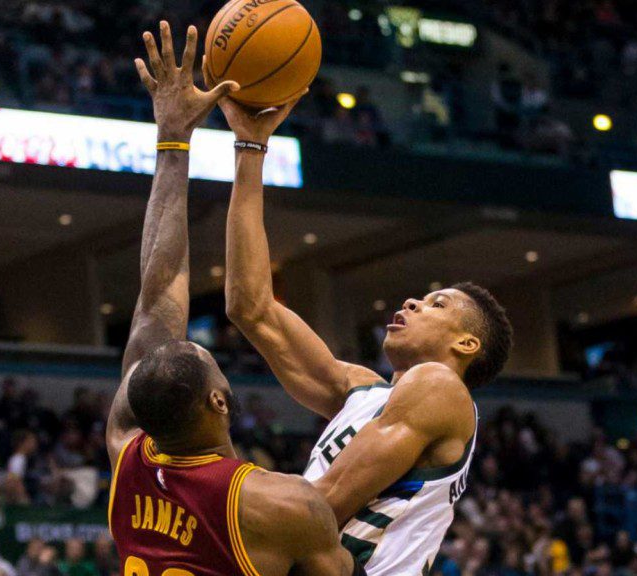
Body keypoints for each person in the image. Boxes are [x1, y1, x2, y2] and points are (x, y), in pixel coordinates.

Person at [215, 51, 513, 574]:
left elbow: (322, 506)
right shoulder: (364, 392)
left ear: (466, 345)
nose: (413, 302)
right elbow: (250, 307)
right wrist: (251, 146)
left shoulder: (440, 388)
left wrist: (217, 493)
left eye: (437, 303)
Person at [104, 21, 360, 576]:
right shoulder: (283, 505)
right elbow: (154, 308)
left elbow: (155, 302)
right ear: (219, 403)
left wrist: (174, 139)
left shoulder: (128, 457)